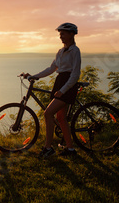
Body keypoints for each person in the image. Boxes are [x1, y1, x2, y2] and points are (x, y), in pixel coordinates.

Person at [25, 22, 81, 158]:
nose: (61, 36)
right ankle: (70, 149)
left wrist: (63, 90)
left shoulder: (75, 51)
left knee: (47, 113)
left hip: (68, 84)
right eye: (60, 34)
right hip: (60, 81)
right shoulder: (60, 52)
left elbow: (75, 74)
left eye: (64, 33)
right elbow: (51, 69)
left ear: (72, 34)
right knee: (61, 118)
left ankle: (48, 148)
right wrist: (34, 76)